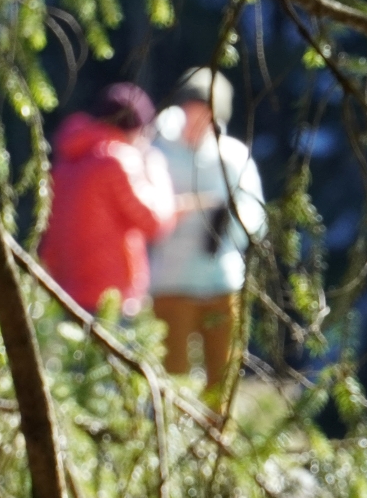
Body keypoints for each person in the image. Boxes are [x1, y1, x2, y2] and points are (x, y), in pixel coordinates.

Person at [149, 69, 265, 409]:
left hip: (221, 281)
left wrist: (227, 221)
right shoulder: (158, 150)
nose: (197, 119)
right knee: (172, 376)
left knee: (222, 378)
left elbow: (256, 218)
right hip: (170, 283)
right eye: (192, 110)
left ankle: (217, 447)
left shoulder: (234, 157)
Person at [39, 83, 177, 316]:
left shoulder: (67, 159)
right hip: (112, 297)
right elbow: (154, 222)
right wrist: (156, 170)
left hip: (67, 292)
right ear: (136, 129)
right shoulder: (117, 159)